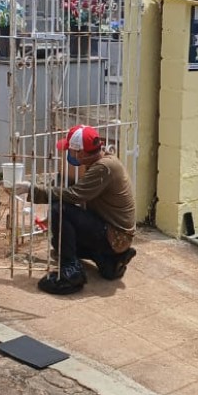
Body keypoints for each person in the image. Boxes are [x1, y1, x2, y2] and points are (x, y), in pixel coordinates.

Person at [16, 125, 136, 295]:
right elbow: (70, 189)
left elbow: (75, 195)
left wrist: (32, 189)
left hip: (115, 236)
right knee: (62, 244)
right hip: (114, 233)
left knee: (60, 210)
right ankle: (111, 260)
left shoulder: (103, 168)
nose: (67, 154)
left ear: (80, 153)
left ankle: (71, 274)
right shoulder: (100, 162)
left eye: (70, 150)